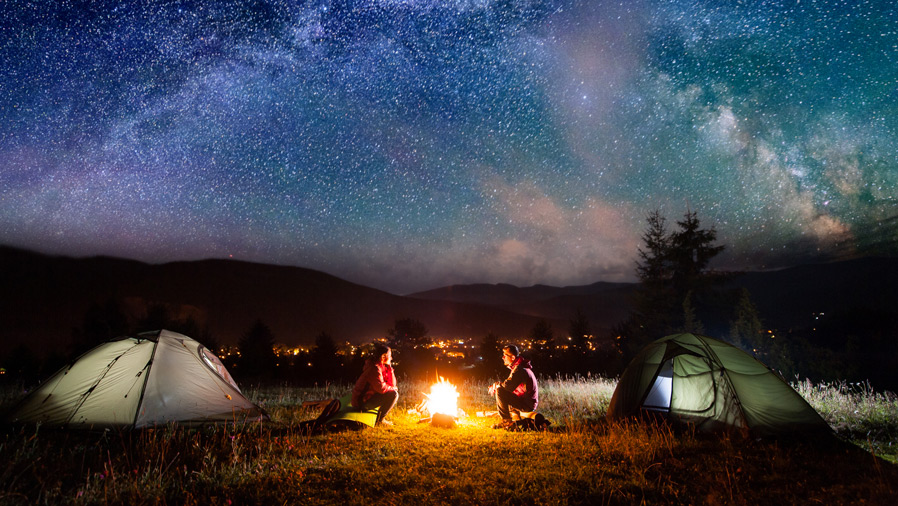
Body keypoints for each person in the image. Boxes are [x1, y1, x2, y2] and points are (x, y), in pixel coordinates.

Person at [488, 345, 538, 429]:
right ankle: (512, 419)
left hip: (527, 404)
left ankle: (507, 422)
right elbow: (510, 385)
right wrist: (498, 384)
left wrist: (497, 385)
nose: (503, 357)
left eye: (505, 355)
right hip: (527, 402)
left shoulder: (519, 369)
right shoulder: (520, 367)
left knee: (500, 391)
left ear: (513, 357)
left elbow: (507, 387)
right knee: (501, 389)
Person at [351, 342, 399, 426]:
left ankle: (379, 419)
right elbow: (381, 388)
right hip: (361, 402)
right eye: (389, 355)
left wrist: (390, 368)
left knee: (393, 393)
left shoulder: (382, 367)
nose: (391, 358)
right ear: (384, 356)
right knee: (393, 394)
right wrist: (393, 389)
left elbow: (392, 384)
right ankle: (379, 421)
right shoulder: (374, 368)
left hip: (366, 399)